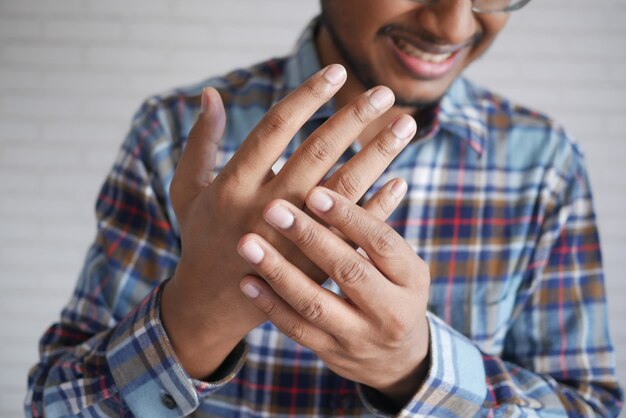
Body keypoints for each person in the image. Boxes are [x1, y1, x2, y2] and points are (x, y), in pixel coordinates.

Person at [26, 0, 624, 416]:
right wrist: (195, 319)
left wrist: (415, 369)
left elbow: (592, 406)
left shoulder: (543, 163)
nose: (452, 24)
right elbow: (54, 405)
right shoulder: (176, 136)